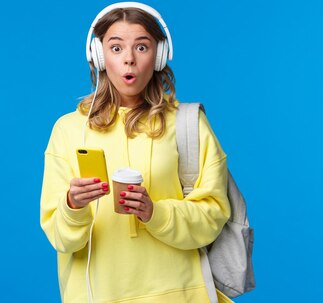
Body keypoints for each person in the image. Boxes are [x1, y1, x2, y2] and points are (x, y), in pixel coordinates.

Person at [40, 2, 232, 302]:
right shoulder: (68, 130)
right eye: (116, 48)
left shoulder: (188, 123)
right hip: (97, 295)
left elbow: (213, 215)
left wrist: (154, 212)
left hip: (180, 294)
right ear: (99, 56)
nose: (129, 59)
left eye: (141, 47)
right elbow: (60, 238)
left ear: (159, 56)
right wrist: (72, 205)